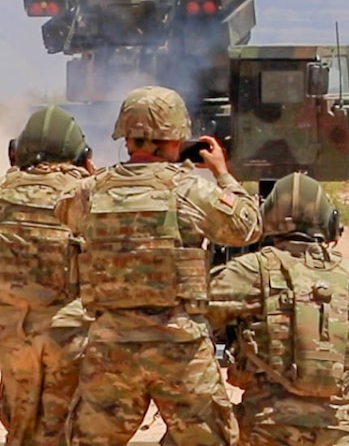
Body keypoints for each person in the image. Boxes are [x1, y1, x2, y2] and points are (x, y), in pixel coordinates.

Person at [55, 85, 262, 446]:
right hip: (179, 346)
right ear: (173, 138)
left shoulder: (92, 190)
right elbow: (247, 226)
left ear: (127, 136)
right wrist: (222, 173)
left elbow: (63, 211)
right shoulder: (189, 189)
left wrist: (103, 177)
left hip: (111, 346)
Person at [208, 171, 349, 446]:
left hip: (265, 429)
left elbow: (194, 319)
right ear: (331, 222)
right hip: (336, 434)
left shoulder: (249, 270)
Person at [0, 106, 95, 445]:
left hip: (12, 335)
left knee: (20, 428)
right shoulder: (86, 195)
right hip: (67, 335)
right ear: (81, 155)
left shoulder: (3, 192)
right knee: (61, 430)